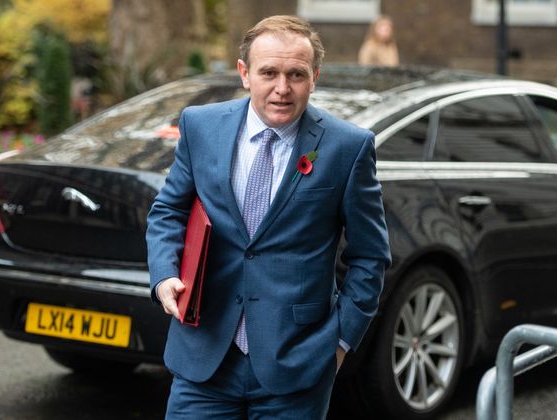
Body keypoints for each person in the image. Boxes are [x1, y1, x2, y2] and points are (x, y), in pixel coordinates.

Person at [146, 15, 391, 419]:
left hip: (297, 365)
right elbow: (169, 210)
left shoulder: (349, 147)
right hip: (204, 356)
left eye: (296, 74)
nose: (282, 88)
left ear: (315, 76)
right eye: (269, 73)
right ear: (245, 74)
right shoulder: (201, 126)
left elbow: (370, 256)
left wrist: (341, 342)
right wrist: (164, 275)